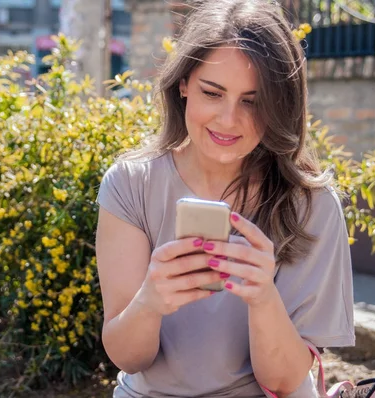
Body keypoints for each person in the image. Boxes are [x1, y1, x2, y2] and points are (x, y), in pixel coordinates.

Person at [95, 0, 355, 397]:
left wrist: (263, 297)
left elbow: (284, 382)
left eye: (251, 101)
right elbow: (129, 358)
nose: (228, 120)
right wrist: (149, 301)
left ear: (278, 106)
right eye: (212, 93)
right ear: (183, 84)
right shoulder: (131, 184)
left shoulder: (312, 205)